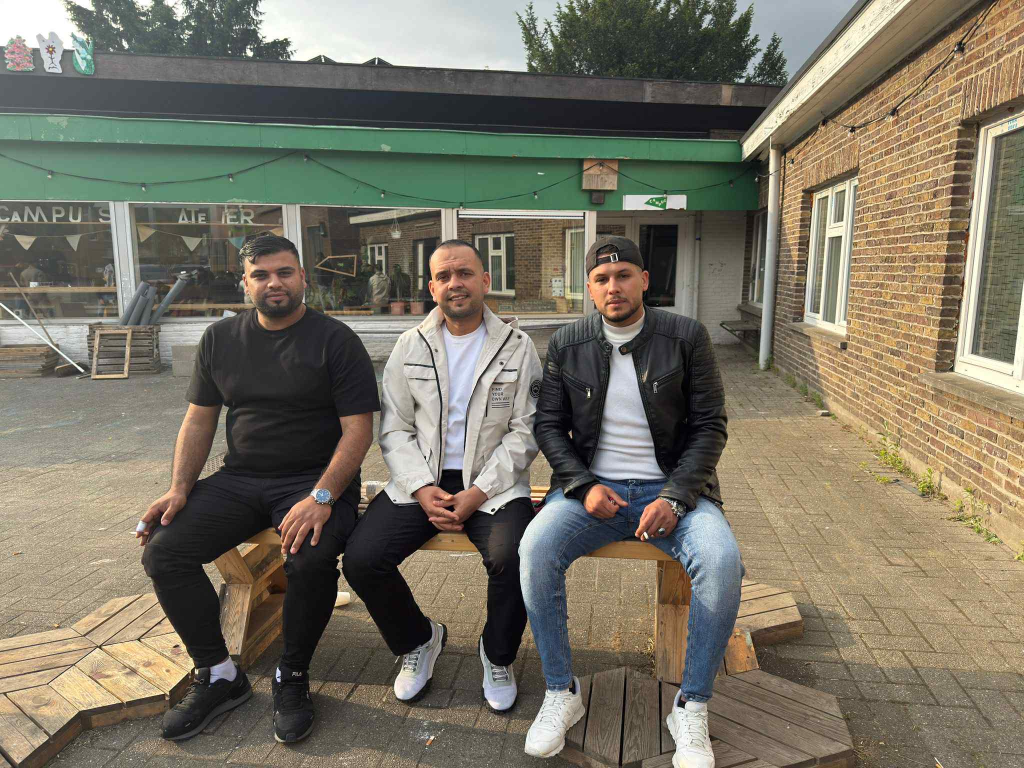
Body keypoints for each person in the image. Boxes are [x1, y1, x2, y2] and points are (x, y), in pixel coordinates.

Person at [137, 234, 379, 745]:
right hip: (241, 478)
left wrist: (322, 497)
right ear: (245, 283)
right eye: (262, 275)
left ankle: (292, 674)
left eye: (285, 272)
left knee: (309, 560)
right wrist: (179, 489)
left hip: (315, 480)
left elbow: (359, 430)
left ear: (303, 278)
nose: (275, 283)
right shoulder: (220, 339)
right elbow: (199, 419)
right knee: (164, 551)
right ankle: (219, 674)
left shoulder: (336, 341)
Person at [520, 236, 740, 768]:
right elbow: (548, 426)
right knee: (535, 550)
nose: (613, 287)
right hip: (592, 491)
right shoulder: (567, 342)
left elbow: (710, 426)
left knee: (721, 561)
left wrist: (676, 497)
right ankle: (561, 691)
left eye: (623, 276)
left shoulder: (686, 336)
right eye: (601, 279)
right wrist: (581, 485)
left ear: (644, 280)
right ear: (589, 289)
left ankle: (691, 706)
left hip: (674, 492)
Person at [343, 239, 542, 711]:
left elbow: (527, 430)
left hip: (493, 486)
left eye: (465, 273)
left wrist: (478, 491)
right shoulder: (410, 345)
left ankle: (497, 654)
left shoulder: (518, 347)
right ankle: (419, 639)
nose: (456, 283)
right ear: (432, 287)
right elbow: (394, 427)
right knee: (362, 560)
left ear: (485, 281)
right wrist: (419, 487)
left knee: (513, 557)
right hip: (421, 482)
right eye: (444, 276)